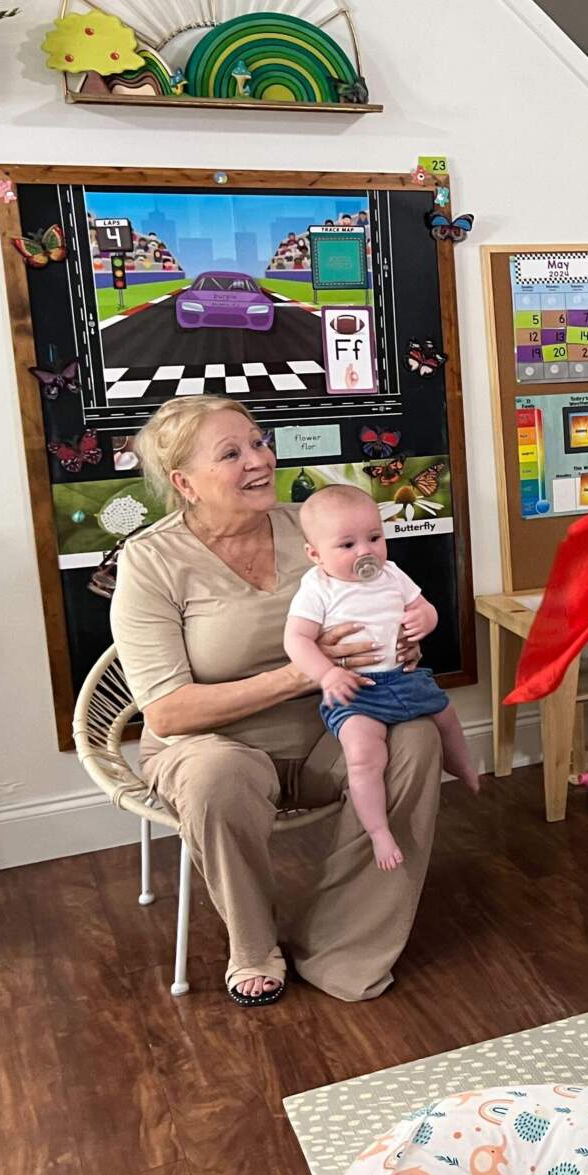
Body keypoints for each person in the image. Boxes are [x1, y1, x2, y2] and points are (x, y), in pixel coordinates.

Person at [110, 396, 445, 1006]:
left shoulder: (316, 527)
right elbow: (167, 713)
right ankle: (253, 945)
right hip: (211, 746)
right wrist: (302, 674)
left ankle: (345, 943)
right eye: (231, 453)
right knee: (217, 776)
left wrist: (402, 646)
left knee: (417, 737)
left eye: (259, 443)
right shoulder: (151, 560)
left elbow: (388, 608)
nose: (259, 460)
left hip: (332, 729)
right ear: (184, 483)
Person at [285, 485, 476, 871]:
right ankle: (378, 831)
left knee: (446, 717)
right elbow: (297, 640)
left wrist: (425, 619)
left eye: (374, 537)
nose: (365, 552)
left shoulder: (391, 573)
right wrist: (328, 674)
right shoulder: (318, 588)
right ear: (315, 554)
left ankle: (463, 766)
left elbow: (424, 608)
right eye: (347, 545)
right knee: (363, 756)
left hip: (402, 677)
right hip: (357, 691)